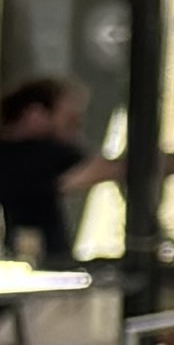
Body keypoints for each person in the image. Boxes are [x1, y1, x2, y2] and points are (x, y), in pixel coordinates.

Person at [0, 69, 112, 258]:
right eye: (70, 121)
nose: (75, 130)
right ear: (35, 114)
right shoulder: (40, 155)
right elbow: (106, 168)